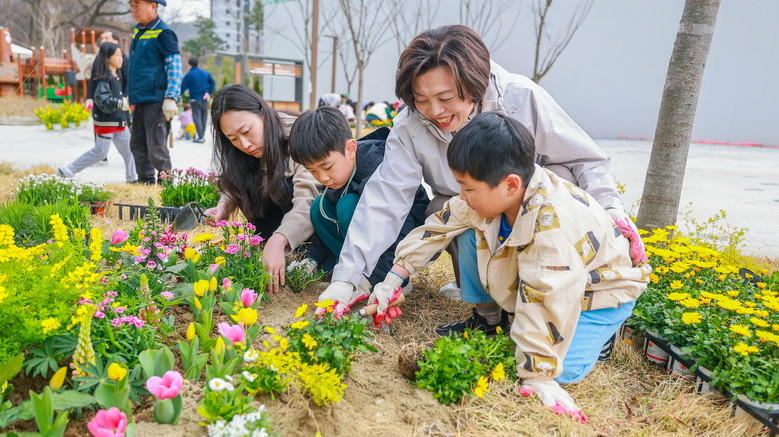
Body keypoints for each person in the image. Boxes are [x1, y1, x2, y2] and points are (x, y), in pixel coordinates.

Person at [320, 25, 647, 337]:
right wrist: (347, 279)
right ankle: (488, 315)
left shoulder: (521, 96)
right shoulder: (411, 125)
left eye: (446, 97)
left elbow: (585, 160)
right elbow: (385, 199)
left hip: (535, 209)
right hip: (469, 209)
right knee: (447, 207)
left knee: (561, 183)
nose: (435, 111)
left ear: (474, 84)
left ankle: (572, 306)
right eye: (421, 100)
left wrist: (612, 214)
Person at [370, 112, 650, 421]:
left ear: (510, 184)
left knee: (561, 370)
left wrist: (537, 375)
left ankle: (604, 334)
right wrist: (393, 278)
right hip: (554, 279)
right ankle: (491, 320)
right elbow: (439, 226)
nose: (461, 195)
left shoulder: (552, 230)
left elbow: (547, 297)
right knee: (468, 231)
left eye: (468, 188)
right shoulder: (501, 189)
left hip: (597, 293)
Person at [288, 107, 428, 316]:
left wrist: (386, 277)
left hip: (404, 237)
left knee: (347, 206)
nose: (322, 177)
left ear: (351, 148)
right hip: (367, 244)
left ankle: (384, 279)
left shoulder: (380, 168)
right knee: (319, 207)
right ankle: (345, 274)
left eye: (327, 167)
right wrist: (312, 258)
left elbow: (400, 229)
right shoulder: (341, 172)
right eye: (313, 171)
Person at [204, 84, 319, 293]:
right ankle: (274, 249)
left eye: (246, 131)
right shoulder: (244, 149)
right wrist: (224, 206)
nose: (244, 144)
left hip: (315, 229)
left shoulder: (299, 135)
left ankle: (304, 255)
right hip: (275, 228)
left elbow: (308, 201)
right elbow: (236, 180)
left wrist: (280, 238)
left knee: (283, 186)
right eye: (233, 139)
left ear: (263, 114)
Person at [58, 43, 137, 183]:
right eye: (117, 56)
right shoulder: (104, 78)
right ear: (107, 58)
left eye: (121, 55)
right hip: (107, 122)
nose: (121, 59)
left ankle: (132, 179)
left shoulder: (115, 75)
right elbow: (101, 99)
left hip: (118, 120)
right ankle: (68, 170)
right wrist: (120, 103)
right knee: (100, 152)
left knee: (129, 150)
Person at [127, 0, 182, 184]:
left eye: (137, 5)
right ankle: (145, 183)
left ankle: (167, 186)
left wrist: (171, 96)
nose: (133, 10)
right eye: (131, 5)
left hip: (157, 100)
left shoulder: (164, 33)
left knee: (156, 147)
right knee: (137, 144)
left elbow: (174, 66)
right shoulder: (139, 31)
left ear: (153, 5)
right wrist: (129, 95)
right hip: (141, 99)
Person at [180, 56, 215, 143]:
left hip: (195, 99)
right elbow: (213, 83)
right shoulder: (206, 73)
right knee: (204, 118)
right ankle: (202, 135)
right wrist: (208, 92)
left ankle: (201, 137)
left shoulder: (189, 75)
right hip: (205, 99)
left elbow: (182, 87)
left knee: (197, 118)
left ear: (189, 65)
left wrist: (176, 96)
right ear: (198, 64)